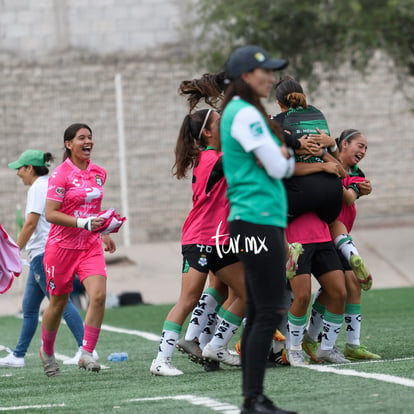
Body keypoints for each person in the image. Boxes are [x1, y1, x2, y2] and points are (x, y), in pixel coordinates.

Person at [220, 45, 296, 414]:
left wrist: (281, 155)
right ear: (248, 76)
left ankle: (254, 397)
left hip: (253, 220)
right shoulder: (244, 113)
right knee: (267, 311)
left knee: (260, 310)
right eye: (266, 73)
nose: (271, 79)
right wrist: (285, 155)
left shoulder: (239, 111)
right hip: (256, 219)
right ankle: (253, 399)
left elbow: (276, 162)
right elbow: (279, 167)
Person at [150, 109, 246, 376]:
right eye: (218, 122)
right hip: (201, 239)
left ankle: (216, 346)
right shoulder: (213, 159)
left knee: (249, 292)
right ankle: (161, 360)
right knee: (188, 299)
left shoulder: (217, 157)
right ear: (206, 132)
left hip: (221, 240)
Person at [40, 123, 117, 377]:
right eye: (81, 138)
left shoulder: (99, 173)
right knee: (59, 303)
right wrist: (82, 222)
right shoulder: (60, 174)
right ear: (68, 144)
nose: (88, 142)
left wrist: (103, 230)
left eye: (90, 137)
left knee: (98, 296)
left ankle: (86, 353)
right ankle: (47, 352)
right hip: (61, 248)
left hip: (89, 246)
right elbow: (50, 214)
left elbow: (93, 209)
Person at [0, 150, 89, 368]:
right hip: (43, 253)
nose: (18, 173)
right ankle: (18, 355)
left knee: (60, 302)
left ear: (29, 168)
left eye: (20, 169)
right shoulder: (48, 184)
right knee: (29, 307)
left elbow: (31, 223)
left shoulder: (38, 187)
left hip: (44, 254)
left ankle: (86, 349)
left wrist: (13, 250)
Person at [304, 129, 380, 361]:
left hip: (341, 236)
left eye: (366, 148)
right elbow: (346, 196)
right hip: (326, 236)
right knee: (336, 289)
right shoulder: (325, 163)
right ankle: (312, 340)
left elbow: (350, 196)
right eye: (360, 146)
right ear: (344, 144)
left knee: (349, 288)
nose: (363, 151)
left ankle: (351, 344)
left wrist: (359, 188)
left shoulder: (357, 173)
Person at [273, 76, 344, 225]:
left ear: (278, 103)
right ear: (304, 97)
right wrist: (331, 144)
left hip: (303, 193)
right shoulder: (318, 116)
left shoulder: (277, 123)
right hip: (334, 195)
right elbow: (337, 163)